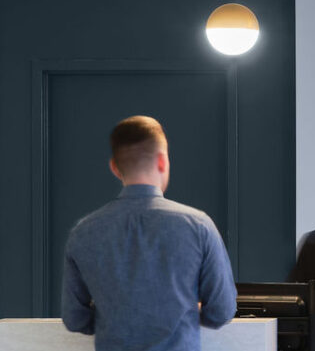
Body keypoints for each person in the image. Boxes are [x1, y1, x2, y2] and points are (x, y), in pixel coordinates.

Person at [63, 115, 236, 351]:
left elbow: (74, 319)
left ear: (114, 167)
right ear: (162, 161)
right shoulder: (199, 226)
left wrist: (114, 314)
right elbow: (221, 312)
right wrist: (181, 311)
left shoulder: (83, 233)